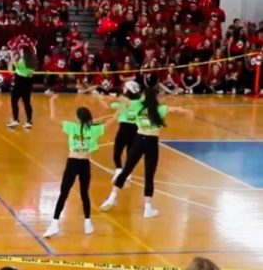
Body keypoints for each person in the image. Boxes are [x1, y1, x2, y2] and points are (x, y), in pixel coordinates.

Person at [100, 78, 191, 218]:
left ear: (144, 97)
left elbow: (123, 100)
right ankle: (147, 208)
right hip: (152, 143)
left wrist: (105, 97)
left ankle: (111, 198)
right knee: (149, 175)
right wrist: (186, 112)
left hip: (139, 140)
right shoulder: (159, 109)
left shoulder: (137, 106)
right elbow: (176, 109)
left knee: (126, 171)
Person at [43, 106, 109, 238]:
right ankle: (83, 222)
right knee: (81, 193)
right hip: (83, 163)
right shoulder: (92, 129)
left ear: (78, 117)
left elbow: (53, 118)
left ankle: (62, 223)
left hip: (74, 163)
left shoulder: (73, 127)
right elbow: (109, 123)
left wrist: (52, 102)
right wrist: (118, 111)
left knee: (67, 193)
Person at [109, 81, 143, 181]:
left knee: (117, 152)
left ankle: (119, 170)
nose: (123, 89)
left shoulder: (123, 101)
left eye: (125, 88)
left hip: (124, 129)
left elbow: (112, 105)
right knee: (130, 152)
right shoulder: (140, 102)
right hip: (135, 129)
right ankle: (128, 173)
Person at [6, 48, 37, 129]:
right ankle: (29, 121)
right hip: (28, 82)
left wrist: (12, 57)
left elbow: (14, 69)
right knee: (27, 102)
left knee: (14, 101)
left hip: (19, 81)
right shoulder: (32, 62)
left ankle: (15, 119)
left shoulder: (22, 61)